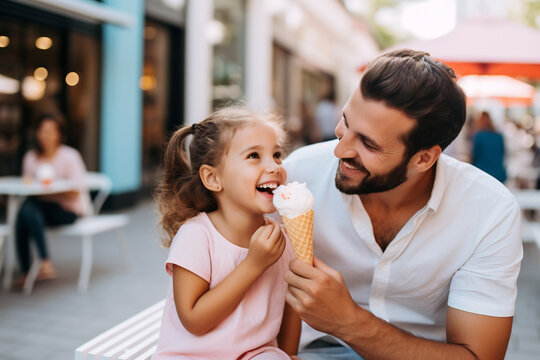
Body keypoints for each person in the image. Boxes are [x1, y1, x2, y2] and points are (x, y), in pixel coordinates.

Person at [282, 49, 522, 360]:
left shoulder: (489, 210)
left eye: (368, 143)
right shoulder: (298, 174)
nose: (340, 150)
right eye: (345, 123)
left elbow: (479, 356)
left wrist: (348, 322)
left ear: (423, 158)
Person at [153, 106, 300, 359]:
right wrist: (254, 264)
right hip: (190, 355)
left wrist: (288, 354)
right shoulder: (197, 235)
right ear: (212, 178)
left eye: (277, 155)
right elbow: (194, 320)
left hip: (254, 353)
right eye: (254, 155)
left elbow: (291, 303)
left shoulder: (282, 239)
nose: (274, 166)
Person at [14, 113, 89, 286]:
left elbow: (76, 192)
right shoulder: (31, 158)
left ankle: (31, 269)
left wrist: (47, 192)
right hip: (39, 211)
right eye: (42, 131)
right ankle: (43, 263)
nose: (45, 135)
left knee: (26, 210)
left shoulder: (70, 156)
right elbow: (26, 185)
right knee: (25, 212)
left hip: (68, 210)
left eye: (50, 131)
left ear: (59, 134)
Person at [471, 111, 507, 183]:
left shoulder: (479, 136)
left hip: (482, 174)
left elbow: (475, 156)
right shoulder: (499, 137)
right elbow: (503, 154)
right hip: (498, 174)